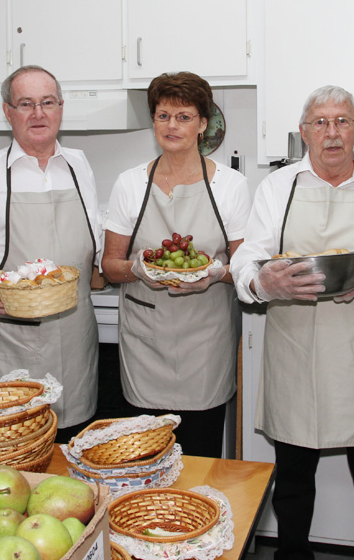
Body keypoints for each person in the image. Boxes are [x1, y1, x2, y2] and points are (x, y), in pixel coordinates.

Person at [231, 85, 354, 560]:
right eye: (321, 122)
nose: (332, 133)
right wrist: (265, 283)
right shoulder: (278, 186)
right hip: (296, 351)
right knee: (293, 482)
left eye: (342, 121)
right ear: (304, 132)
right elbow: (246, 259)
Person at [0, 65, 102, 442]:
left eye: (47, 102)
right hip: (10, 344)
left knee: (70, 453)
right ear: (8, 112)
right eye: (26, 104)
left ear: (61, 108)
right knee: (10, 449)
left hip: (75, 339)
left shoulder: (79, 166)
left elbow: (93, 246)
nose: (38, 113)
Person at [101, 72, 250, 458]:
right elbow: (110, 265)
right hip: (145, 345)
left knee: (201, 460)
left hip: (206, 344)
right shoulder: (130, 184)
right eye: (163, 115)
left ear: (203, 124)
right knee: (145, 460)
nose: (172, 126)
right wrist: (137, 269)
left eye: (184, 117)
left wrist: (215, 273)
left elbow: (244, 268)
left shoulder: (231, 186)